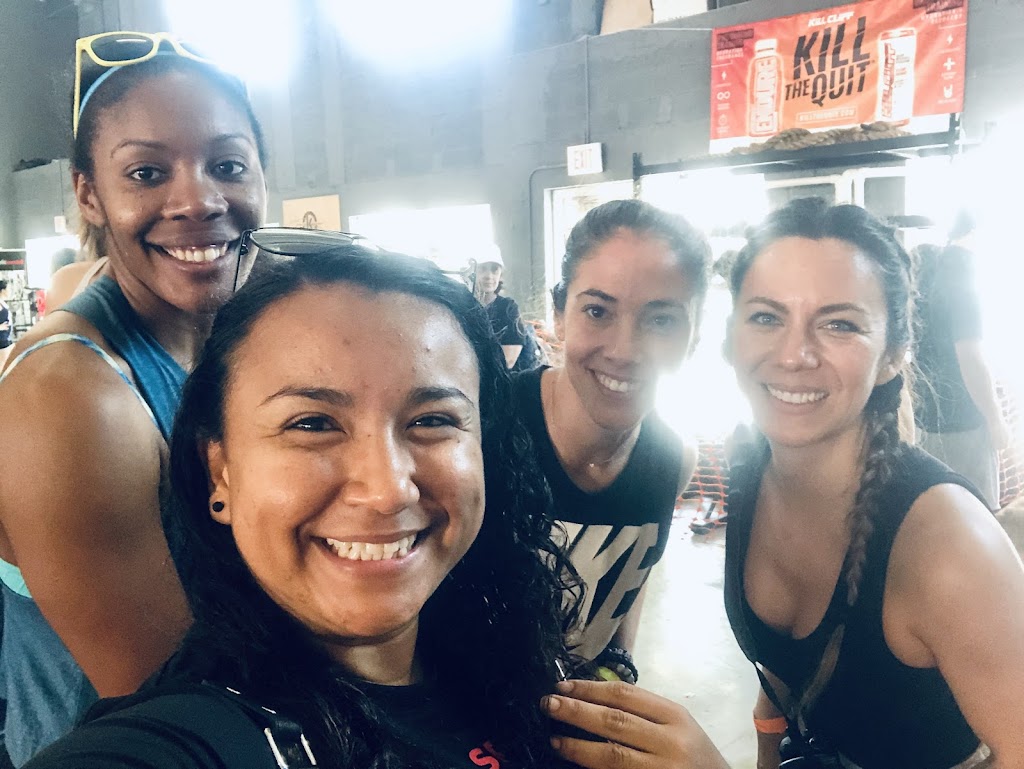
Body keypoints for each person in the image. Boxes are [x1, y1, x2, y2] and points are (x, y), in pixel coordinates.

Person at [22, 243, 729, 769]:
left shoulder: (508, 670)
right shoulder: (195, 739)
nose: (387, 488)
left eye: (432, 420)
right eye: (312, 423)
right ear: (220, 470)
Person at [0, 32, 268, 764]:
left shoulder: (227, 326)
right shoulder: (71, 399)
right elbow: (175, 697)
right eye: (147, 172)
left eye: (228, 165)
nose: (198, 200)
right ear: (89, 193)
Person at [722, 199, 1024, 769]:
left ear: (893, 356)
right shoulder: (748, 475)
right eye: (765, 317)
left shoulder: (950, 546)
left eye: (840, 324)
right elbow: (782, 672)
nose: (794, 354)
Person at [512, 199, 708, 678]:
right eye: (598, 311)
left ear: (695, 336)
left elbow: (628, 573)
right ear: (559, 315)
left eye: (661, 319)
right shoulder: (485, 424)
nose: (625, 351)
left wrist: (620, 663)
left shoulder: (671, 460)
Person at [912, 212, 1008, 511]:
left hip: (927, 417)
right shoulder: (963, 275)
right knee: (978, 514)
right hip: (963, 423)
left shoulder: (930, 266)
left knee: (936, 509)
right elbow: (969, 355)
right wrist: (995, 420)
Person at [473, 246, 539, 371]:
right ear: (472, 271)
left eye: (494, 270)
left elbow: (508, 361)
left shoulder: (507, 308)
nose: (489, 276)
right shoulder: (466, 307)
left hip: (508, 379)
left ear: (500, 275)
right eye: (482, 269)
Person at [0, 281, 12, 369]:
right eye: (9, 289)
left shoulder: (2, 303)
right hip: (1, 339)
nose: (10, 291)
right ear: (3, 290)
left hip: (5, 338)